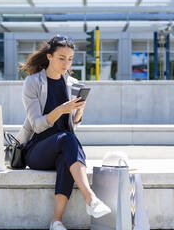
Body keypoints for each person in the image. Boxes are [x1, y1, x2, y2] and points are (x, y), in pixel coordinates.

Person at [16, 34, 111, 230]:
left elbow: (72, 124)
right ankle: (90, 198)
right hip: (37, 150)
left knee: (66, 155)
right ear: (49, 57)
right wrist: (61, 109)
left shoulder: (72, 83)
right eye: (61, 58)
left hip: (62, 145)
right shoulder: (33, 83)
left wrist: (79, 111)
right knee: (67, 140)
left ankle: (56, 221)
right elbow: (37, 125)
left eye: (69, 59)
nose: (66, 63)